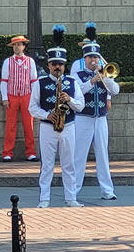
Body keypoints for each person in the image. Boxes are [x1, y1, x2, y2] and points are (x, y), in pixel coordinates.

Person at [29, 25, 85, 208]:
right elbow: (32, 108)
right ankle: (44, 199)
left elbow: (81, 105)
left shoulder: (72, 82)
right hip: (48, 127)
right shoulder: (41, 82)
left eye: (60, 64)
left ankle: (71, 198)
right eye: (54, 64)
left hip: (68, 126)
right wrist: (47, 115)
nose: (57, 67)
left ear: (64, 64)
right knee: (47, 165)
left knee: (69, 165)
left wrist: (69, 99)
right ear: (48, 65)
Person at [74, 22, 119, 200]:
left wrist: (105, 78)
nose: (93, 61)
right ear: (84, 59)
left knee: (103, 155)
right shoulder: (78, 75)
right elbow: (78, 93)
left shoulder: (104, 74)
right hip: (83, 118)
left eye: (95, 58)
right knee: (79, 156)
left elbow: (115, 91)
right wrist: (92, 80)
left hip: (100, 118)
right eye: (90, 58)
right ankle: (73, 191)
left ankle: (107, 191)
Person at [0, 35, 38, 162]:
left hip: (27, 95)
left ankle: (31, 152)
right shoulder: (8, 61)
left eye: (19, 45)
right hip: (12, 95)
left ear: (24, 46)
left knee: (29, 124)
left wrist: (34, 97)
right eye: (15, 45)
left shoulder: (30, 61)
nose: (17, 47)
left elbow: (33, 80)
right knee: (10, 125)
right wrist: (5, 97)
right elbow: (4, 80)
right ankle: (7, 152)